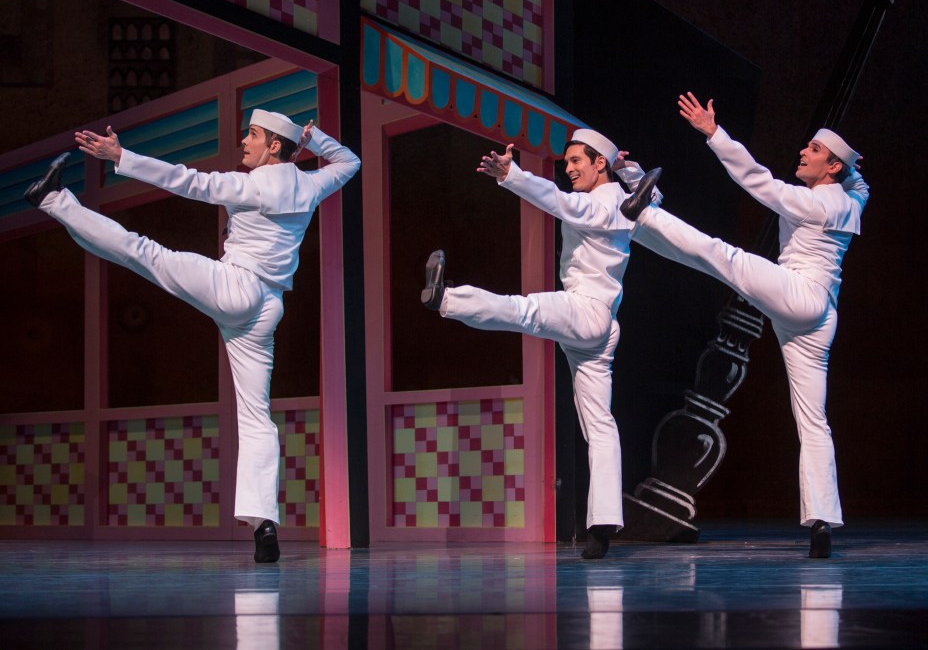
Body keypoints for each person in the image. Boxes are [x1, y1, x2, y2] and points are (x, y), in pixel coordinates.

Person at [23, 109, 361, 563]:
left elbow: (187, 181)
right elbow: (350, 162)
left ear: (273, 146)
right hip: (268, 307)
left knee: (144, 252)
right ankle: (263, 525)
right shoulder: (312, 185)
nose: (244, 142)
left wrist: (122, 156)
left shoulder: (250, 186)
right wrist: (314, 140)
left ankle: (53, 200)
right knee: (257, 416)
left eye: (253, 135)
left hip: (234, 286)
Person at [620, 92, 868, 559]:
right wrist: (850, 168)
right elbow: (854, 184)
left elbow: (757, 181)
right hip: (819, 314)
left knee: (724, 257)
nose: (803, 152)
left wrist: (714, 134)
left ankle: (646, 212)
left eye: (814, 150)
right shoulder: (849, 199)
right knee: (813, 418)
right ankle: (821, 521)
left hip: (799, 293)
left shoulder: (816, 203)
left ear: (832, 167)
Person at [420, 129, 661, 560]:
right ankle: (603, 525)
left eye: (576, 161)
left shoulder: (601, 203)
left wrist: (511, 175)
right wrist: (631, 171)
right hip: (602, 324)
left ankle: (447, 299)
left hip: (584, 310)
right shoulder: (630, 204)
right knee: (599, 423)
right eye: (566, 163)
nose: (569, 170)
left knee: (525, 310)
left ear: (599, 164)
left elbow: (557, 202)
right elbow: (655, 201)